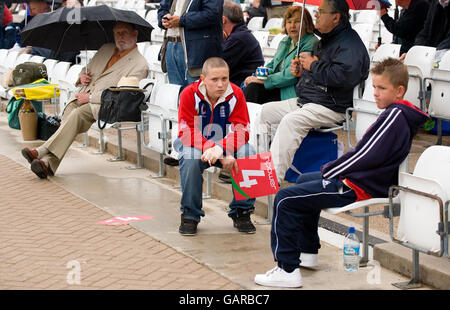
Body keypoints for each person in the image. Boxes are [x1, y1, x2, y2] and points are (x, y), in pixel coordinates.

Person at [254, 57, 429, 288]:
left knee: (285, 199)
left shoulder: (394, 116)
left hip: (359, 186)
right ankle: (307, 251)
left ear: (399, 91)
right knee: (305, 180)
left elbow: (365, 155)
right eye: (374, 87)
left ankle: (286, 269)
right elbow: (364, 154)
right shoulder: (396, 112)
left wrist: (331, 171)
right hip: (362, 180)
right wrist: (331, 172)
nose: (375, 93)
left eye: (382, 88)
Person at [259, 0, 370, 185]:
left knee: (290, 121)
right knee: (262, 113)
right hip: (309, 99)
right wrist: (302, 71)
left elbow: (343, 77)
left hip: (332, 105)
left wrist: (313, 65)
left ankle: (270, 180)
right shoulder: (326, 39)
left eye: (321, 11)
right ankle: (256, 170)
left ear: (336, 17)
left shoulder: (351, 44)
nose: (316, 15)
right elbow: (318, 72)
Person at [20, 22, 149, 179]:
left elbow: (124, 97)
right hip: (82, 97)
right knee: (69, 113)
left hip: (107, 107)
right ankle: (47, 164)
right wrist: (81, 77)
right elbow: (86, 69)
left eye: (124, 33)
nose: (120, 37)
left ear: (135, 34)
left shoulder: (140, 64)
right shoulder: (106, 48)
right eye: (117, 33)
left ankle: (40, 151)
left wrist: (90, 98)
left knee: (77, 115)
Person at [174, 57, 257, 236]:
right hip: (196, 146)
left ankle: (243, 211)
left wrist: (221, 148)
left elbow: (242, 130)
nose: (221, 84)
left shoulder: (236, 93)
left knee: (249, 153)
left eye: (224, 79)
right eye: (214, 79)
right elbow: (186, 132)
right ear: (203, 79)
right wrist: (215, 150)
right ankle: (190, 214)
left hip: (226, 146)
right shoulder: (189, 93)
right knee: (190, 157)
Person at [243, 5, 318, 104]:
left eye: (297, 21)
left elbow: (292, 75)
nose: (292, 26)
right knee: (250, 86)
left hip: (292, 92)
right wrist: (258, 76)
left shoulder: (311, 42)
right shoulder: (285, 41)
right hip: (277, 86)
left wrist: (264, 81)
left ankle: (246, 119)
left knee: (254, 89)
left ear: (306, 23)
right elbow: (273, 65)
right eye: (289, 22)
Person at [157, 0, 223, 88]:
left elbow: (212, 14)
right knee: (175, 95)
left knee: (196, 94)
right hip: (171, 44)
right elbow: (163, 8)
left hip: (195, 48)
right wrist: (163, 18)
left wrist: (181, 21)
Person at [222, 1, 264, 87]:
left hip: (242, 86)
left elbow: (218, 65)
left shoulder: (238, 38)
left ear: (223, 20)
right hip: (242, 83)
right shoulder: (241, 34)